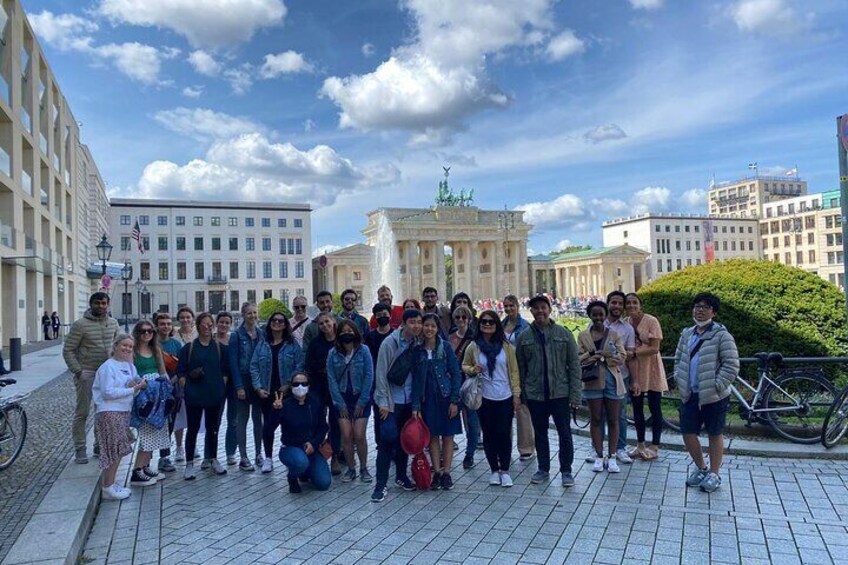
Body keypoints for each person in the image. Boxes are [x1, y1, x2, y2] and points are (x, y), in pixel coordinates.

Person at [674, 293, 739, 493]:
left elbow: (731, 365)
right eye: (697, 306)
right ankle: (701, 468)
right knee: (688, 432)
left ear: (714, 312)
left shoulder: (721, 335)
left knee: (714, 432)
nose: (700, 310)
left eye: (705, 307)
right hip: (689, 393)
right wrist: (679, 378)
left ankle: (714, 473)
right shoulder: (687, 334)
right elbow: (678, 359)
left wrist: (717, 385)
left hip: (713, 395)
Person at [516, 294, 581, 487]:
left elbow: (574, 365)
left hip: (560, 393)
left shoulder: (564, 334)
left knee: (565, 433)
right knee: (540, 433)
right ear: (531, 311)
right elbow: (520, 368)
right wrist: (521, 395)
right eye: (535, 308)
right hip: (536, 394)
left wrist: (575, 394)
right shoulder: (524, 337)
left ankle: (566, 470)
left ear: (549, 309)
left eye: (543, 307)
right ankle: (543, 468)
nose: (540, 311)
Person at [463, 310, 521, 487]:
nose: (487, 325)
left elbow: (514, 372)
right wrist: (473, 370)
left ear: (497, 325)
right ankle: (494, 469)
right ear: (479, 326)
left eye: (491, 322)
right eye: (484, 322)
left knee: (504, 433)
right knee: (488, 434)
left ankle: (505, 469)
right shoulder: (474, 346)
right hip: (484, 396)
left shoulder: (507, 347)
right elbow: (465, 365)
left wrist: (516, 395)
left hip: (504, 395)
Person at [371, 309, 423, 502]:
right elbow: (381, 373)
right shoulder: (390, 343)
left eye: (419, 322)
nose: (416, 326)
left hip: (409, 401)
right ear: (403, 323)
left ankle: (401, 476)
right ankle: (380, 485)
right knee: (387, 440)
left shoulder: (418, 343)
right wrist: (383, 402)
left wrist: (417, 404)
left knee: (405, 441)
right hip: (391, 402)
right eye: (412, 322)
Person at [64, 292, 120, 464]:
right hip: (87, 373)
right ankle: (80, 448)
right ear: (91, 304)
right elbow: (68, 350)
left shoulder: (113, 323)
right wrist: (78, 371)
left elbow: (117, 346)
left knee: (101, 411)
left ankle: (98, 444)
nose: (101, 306)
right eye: (97, 303)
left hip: (106, 375)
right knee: (82, 412)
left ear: (108, 305)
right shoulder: (80, 325)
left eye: (104, 303)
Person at [93, 333, 148, 500]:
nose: (127, 349)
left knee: (118, 451)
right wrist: (133, 389)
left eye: (130, 347)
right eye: (124, 345)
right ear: (115, 346)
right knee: (112, 451)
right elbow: (107, 392)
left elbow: (132, 382)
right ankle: (107, 487)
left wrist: (139, 384)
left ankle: (111, 482)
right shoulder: (107, 367)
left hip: (123, 411)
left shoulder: (129, 366)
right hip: (109, 412)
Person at [412, 313, 462, 490]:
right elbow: (416, 381)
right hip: (428, 399)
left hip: (446, 396)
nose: (429, 329)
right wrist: (416, 406)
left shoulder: (446, 348)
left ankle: (447, 472)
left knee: (448, 436)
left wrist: (455, 401)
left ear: (437, 328)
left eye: (433, 326)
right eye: (426, 325)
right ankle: (438, 472)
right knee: (432, 436)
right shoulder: (417, 351)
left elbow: (456, 374)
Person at [249, 312, 304, 473]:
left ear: (285, 324)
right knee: (268, 426)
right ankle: (268, 458)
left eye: (281, 321)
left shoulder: (292, 344)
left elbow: (299, 366)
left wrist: (289, 384)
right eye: (274, 320)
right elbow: (254, 367)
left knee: (290, 426)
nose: (277, 323)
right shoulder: (262, 344)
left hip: (286, 393)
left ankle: (292, 457)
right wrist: (258, 387)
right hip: (267, 392)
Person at [177, 313, 229, 480]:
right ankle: (189, 463)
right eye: (203, 324)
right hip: (194, 395)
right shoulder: (189, 348)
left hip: (214, 394)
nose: (207, 327)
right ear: (198, 326)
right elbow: (181, 370)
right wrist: (186, 384)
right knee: (192, 429)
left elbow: (225, 369)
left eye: (209, 324)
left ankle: (213, 459)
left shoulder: (219, 348)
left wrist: (221, 387)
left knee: (213, 429)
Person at [578, 301, 627, 474]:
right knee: (596, 419)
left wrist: (603, 358)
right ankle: (599, 455)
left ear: (605, 315)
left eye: (601, 315)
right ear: (590, 316)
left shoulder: (613, 334)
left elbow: (621, 356)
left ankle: (612, 455)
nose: (598, 318)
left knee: (614, 419)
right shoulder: (583, 336)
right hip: (592, 382)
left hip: (612, 381)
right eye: (595, 315)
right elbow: (580, 359)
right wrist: (595, 354)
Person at [327, 320, 374, 483]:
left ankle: (364, 467)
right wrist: (339, 403)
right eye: (343, 331)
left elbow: (369, 375)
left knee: (359, 435)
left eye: (350, 330)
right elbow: (331, 379)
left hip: (360, 396)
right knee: (346, 435)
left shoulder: (364, 351)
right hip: (342, 398)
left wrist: (362, 401)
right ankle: (351, 468)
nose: (347, 333)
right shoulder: (333, 353)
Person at [624, 292, 667, 461]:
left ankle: (655, 445)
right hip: (635, 369)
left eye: (635, 302)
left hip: (652, 367)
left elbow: (655, 347)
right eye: (629, 303)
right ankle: (640, 444)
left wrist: (633, 351)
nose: (632, 306)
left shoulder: (651, 321)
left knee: (655, 407)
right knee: (637, 408)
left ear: (640, 304)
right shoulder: (626, 323)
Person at [597, 291, 638, 466]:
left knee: (619, 415)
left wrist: (635, 381)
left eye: (620, 304)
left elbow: (631, 355)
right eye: (613, 302)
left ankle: (620, 448)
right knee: (598, 414)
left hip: (621, 376)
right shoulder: (596, 323)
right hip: (599, 376)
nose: (617, 306)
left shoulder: (628, 328)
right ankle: (598, 449)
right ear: (608, 304)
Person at [128, 320, 170, 486]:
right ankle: (137, 470)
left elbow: (163, 372)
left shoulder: (155, 349)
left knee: (157, 430)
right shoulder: (133, 351)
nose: (147, 334)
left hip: (158, 394)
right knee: (146, 433)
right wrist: (142, 385)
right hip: (143, 394)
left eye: (150, 331)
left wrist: (167, 389)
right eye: (143, 331)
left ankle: (145, 466)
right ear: (137, 333)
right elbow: (131, 374)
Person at [278, 373, 331, 493]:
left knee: (324, 483)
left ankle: (305, 472)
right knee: (300, 462)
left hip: (311, 449)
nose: (300, 387)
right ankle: (292, 477)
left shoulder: (315, 403)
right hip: (291, 448)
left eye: (304, 383)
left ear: (309, 385)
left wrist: (314, 443)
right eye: (296, 384)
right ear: (291, 386)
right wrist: (276, 411)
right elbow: (269, 429)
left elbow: (323, 428)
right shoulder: (285, 405)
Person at [228, 302, 265, 471]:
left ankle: (258, 453)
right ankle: (243, 456)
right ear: (243, 315)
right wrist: (238, 386)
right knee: (241, 420)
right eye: (249, 313)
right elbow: (233, 363)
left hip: (257, 382)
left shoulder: (261, 334)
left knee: (258, 419)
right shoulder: (236, 335)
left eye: (255, 313)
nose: (253, 316)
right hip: (243, 380)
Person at [304, 312, 341, 474]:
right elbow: (309, 365)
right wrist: (323, 368)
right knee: (317, 422)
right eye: (321, 323)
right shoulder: (315, 344)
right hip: (318, 387)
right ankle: (316, 455)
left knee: (335, 423)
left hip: (336, 389)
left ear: (333, 322)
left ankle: (335, 457)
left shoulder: (341, 342)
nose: (325, 326)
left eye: (327, 322)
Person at [502, 294, 534, 463]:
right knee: (505, 411)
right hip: (503, 372)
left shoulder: (525, 326)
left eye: (511, 306)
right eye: (506, 306)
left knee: (522, 410)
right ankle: (505, 445)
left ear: (517, 306)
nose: (508, 309)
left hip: (520, 371)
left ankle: (526, 448)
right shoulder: (501, 325)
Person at [449, 305, 478, 470]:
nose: (460, 320)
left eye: (463, 317)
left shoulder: (474, 338)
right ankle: (447, 451)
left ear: (469, 319)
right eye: (457, 317)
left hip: (470, 384)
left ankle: (470, 453)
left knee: (472, 422)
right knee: (451, 419)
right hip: (455, 385)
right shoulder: (450, 337)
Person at [155, 313, 181, 473]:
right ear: (157, 326)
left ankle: (164, 457)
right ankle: (146, 458)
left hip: (172, 389)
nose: (165, 326)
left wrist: (171, 383)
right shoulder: (151, 344)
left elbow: (182, 367)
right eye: (162, 324)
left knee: (169, 424)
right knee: (154, 424)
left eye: (168, 324)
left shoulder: (176, 345)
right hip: (154, 389)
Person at [365, 303, 393, 444]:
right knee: (378, 413)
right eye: (379, 315)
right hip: (376, 380)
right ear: (375, 317)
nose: (382, 317)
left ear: (390, 316)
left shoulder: (395, 335)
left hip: (393, 380)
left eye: (385, 315)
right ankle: (380, 443)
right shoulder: (370, 337)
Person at [171, 306, 197, 462]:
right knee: (180, 415)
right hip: (179, 379)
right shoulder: (174, 335)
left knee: (194, 414)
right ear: (178, 319)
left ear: (192, 319)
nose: (185, 320)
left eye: (188, 317)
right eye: (182, 317)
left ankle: (192, 444)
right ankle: (180, 447)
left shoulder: (197, 334)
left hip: (196, 379)